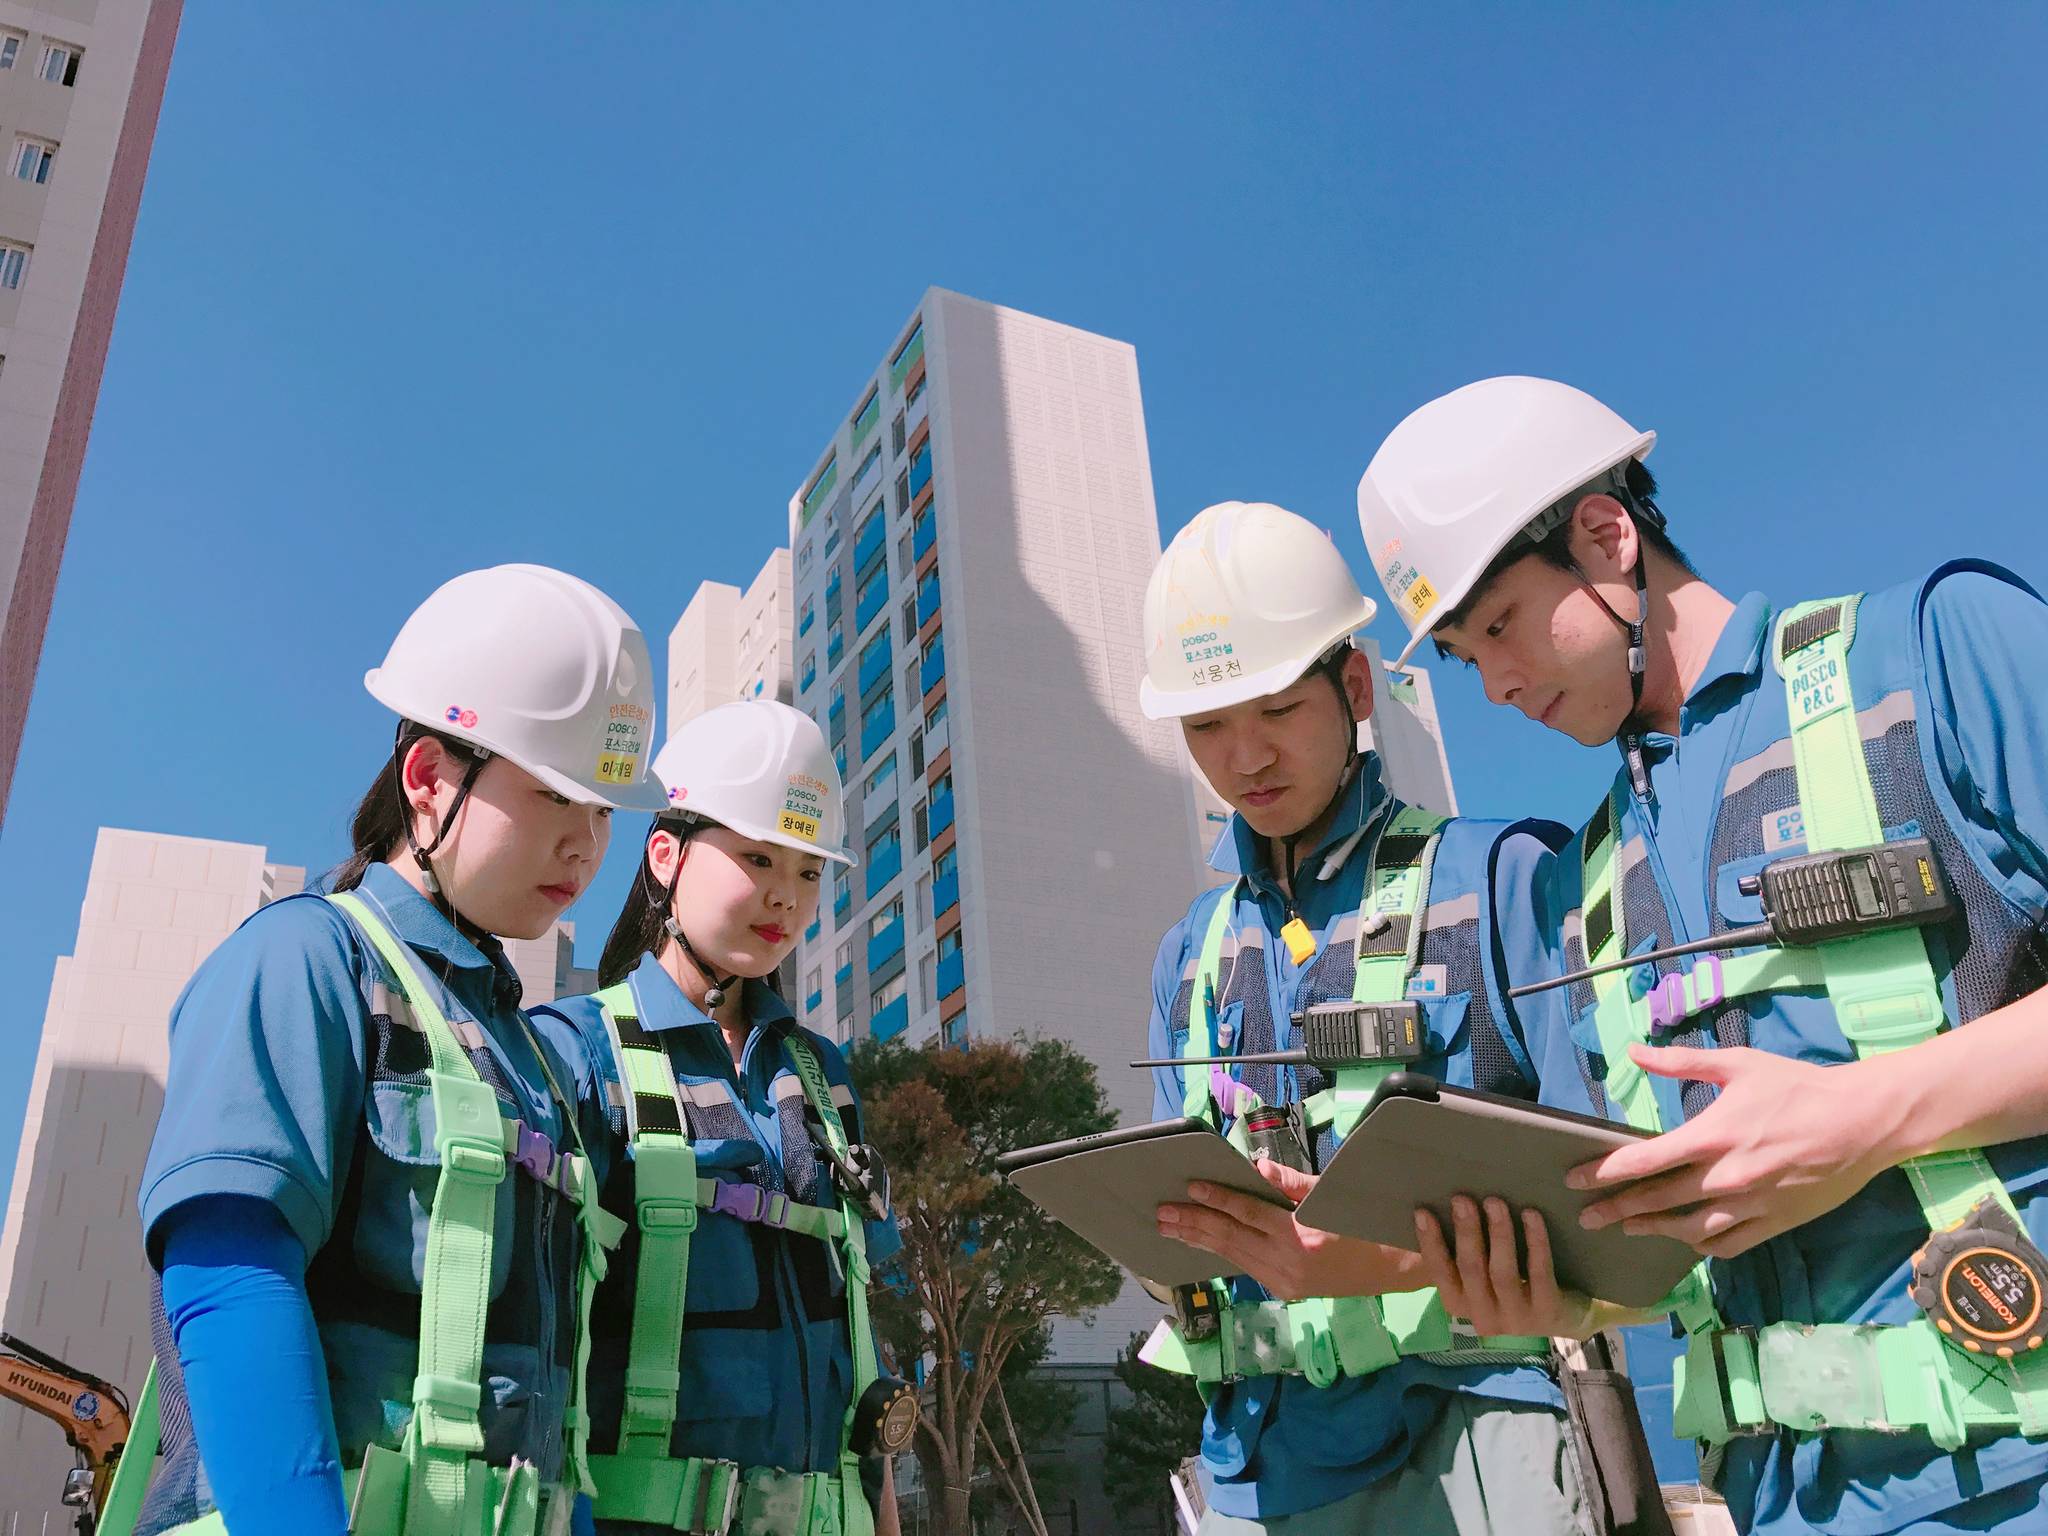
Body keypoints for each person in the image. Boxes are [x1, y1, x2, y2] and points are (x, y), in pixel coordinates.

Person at [1357, 375, 2048, 1534]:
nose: (1497, 685)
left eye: (1499, 628)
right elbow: (1640, 1240)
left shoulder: (1932, 650)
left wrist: (1869, 1113)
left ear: (1604, 535)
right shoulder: (1582, 886)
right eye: (1465, 660)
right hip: (1770, 1504)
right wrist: (1530, 1281)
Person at [123, 564, 670, 1536]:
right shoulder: (308, 961)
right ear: (427, 779)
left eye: (602, 810)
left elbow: (558, 1391)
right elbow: (228, 1274)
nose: (586, 844)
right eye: (552, 794)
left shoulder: (536, 1066)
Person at [1137, 501, 1589, 1534]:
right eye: (1205, 725)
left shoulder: (1500, 877)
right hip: (1259, 1460)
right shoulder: (1188, 959)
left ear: (1351, 689)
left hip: (1478, 1432)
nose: (1242, 756)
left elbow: (1603, 1187)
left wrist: (1382, 1258)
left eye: (1273, 710)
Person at [532, 699, 906, 1536]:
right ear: (665, 855)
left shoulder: (819, 1074)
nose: (786, 896)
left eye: (809, 871)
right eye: (757, 858)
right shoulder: (576, 1051)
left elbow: (856, 1326)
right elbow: (540, 1330)